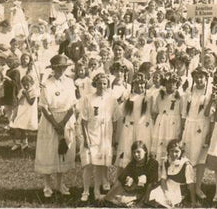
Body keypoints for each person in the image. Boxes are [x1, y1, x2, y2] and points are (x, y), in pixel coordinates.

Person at [34, 54, 77, 198]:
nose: (60, 70)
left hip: (66, 119)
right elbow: (44, 108)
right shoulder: (47, 84)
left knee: (63, 152)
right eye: (57, 68)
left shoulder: (70, 82)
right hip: (50, 121)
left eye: (63, 67)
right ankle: (47, 185)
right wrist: (55, 124)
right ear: (52, 69)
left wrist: (63, 123)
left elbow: (73, 105)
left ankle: (60, 183)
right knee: (49, 152)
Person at [79, 73, 122, 202]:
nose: (102, 86)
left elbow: (115, 119)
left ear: (107, 85)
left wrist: (113, 137)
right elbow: (83, 120)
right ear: (95, 84)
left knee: (99, 164)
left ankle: (96, 190)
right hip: (91, 132)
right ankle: (85, 191)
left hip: (105, 135)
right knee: (87, 164)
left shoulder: (112, 99)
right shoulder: (88, 98)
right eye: (99, 83)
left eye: (104, 83)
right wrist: (86, 138)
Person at [181, 66, 212, 200]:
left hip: (202, 126)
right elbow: (183, 113)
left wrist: (209, 134)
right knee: (186, 157)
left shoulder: (210, 93)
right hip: (189, 125)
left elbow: (210, 115)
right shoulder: (188, 92)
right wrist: (181, 129)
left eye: (202, 77)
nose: (199, 80)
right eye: (197, 77)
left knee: (201, 159)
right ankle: (185, 185)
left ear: (206, 79)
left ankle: (198, 187)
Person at [116, 73, 153, 170]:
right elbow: (121, 112)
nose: (140, 86)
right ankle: (126, 176)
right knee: (128, 150)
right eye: (137, 83)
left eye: (142, 83)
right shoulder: (128, 97)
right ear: (133, 84)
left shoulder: (149, 97)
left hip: (143, 129)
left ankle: (143, 175)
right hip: (130, 128)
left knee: (142, 150)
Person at [104, 141, 159, 207]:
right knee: (116, 198)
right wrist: (108, 196)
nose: (136, 154)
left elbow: (151, 184)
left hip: (149, 190)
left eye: (138, 152)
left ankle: (138, 201)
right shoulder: (132, 164)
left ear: (145, 151)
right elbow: (120, 180)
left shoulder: (152, 163)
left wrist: (142, 202)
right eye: (134, 152)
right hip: (135, 190)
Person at [146, 139, 196, 207]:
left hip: (180, 189)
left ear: (181, 152)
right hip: (168, 185)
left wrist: (193, 201)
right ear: (168, 151)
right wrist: (166, 193)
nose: (173, 154)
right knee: (154, 194)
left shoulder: (186, 164)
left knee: (168, 201)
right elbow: (163, 179)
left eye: (177, 151)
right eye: (171, 151)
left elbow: (190, 184)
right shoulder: (166, 161)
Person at [151, 71, 183, 161]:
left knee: (172, 145)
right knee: (160, 146)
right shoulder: (160, 95)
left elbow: (181, 113)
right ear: (164, 83)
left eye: (173, 83)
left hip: (173, 124)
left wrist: (181, 128)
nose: (170, 85)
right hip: (161, 124)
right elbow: (156, 111)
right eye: (168, 82)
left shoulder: (180, 97)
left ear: (177, 84)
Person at [9, 75, 39, 151]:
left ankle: (24, 144)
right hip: (21, 110)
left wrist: (26, 95)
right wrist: (21, 97)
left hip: (28, 111)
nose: (26, 86)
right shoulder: (22, 90)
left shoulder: (34, 91)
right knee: (17, 127)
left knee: (23, 128)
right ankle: (18, 143)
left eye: (27, 84)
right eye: (24, 84)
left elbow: (31, 102)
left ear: (31, 83)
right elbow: (18, 101)